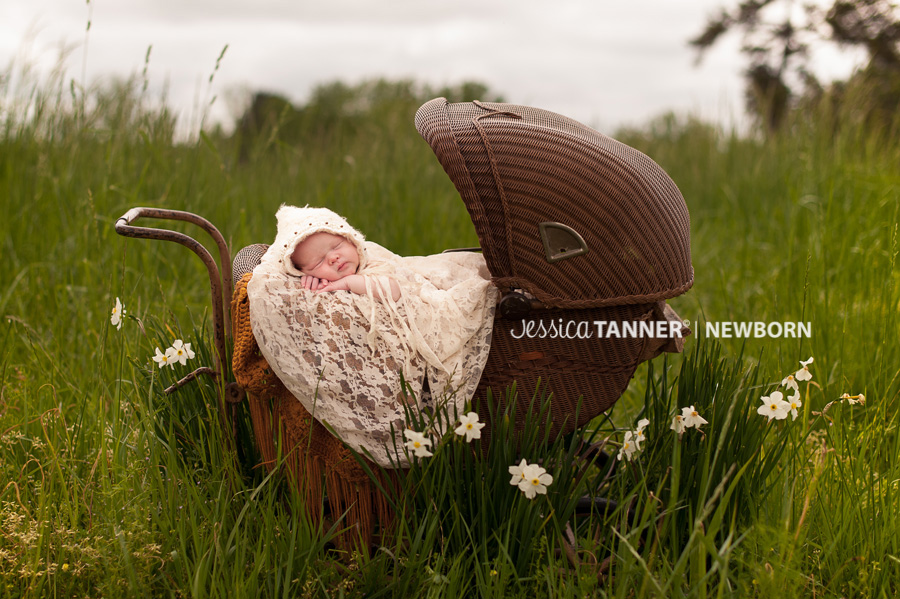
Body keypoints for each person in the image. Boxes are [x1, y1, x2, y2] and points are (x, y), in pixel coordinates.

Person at [246, 204, 498, 467]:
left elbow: (395, 290)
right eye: (319, 262)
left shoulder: (373, 258)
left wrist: (345, 283)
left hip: (428, 298)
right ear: (305, 273)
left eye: (336, 246)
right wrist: (310, 283)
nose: (333, 259)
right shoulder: (321, 286)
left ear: (351, 238)